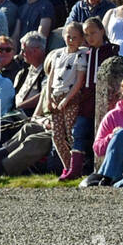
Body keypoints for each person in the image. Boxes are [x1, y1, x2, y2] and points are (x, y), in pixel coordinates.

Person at [61, 16, 121, 180]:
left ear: (102, 31)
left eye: (93, 32)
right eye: (86, 34)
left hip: (105, 99)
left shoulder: (114, 51)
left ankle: (104, 169)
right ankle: (75, 169)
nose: (90, 37)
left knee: (102, 133)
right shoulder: (84, 53)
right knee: (79, 131)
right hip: (87, 99)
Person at [45, 21, 90, 176]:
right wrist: (48, 98)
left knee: (71, 134)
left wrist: (67, 99)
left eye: (74, 37)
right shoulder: (57, 54)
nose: (70, 40)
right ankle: (67, 166)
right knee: (57, 136)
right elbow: (50, 78)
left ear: (81, 39)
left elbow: (79, 80)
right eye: (68, 36)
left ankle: (77, 167)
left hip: (70, 96)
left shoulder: (80, 56)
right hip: (55, 95)